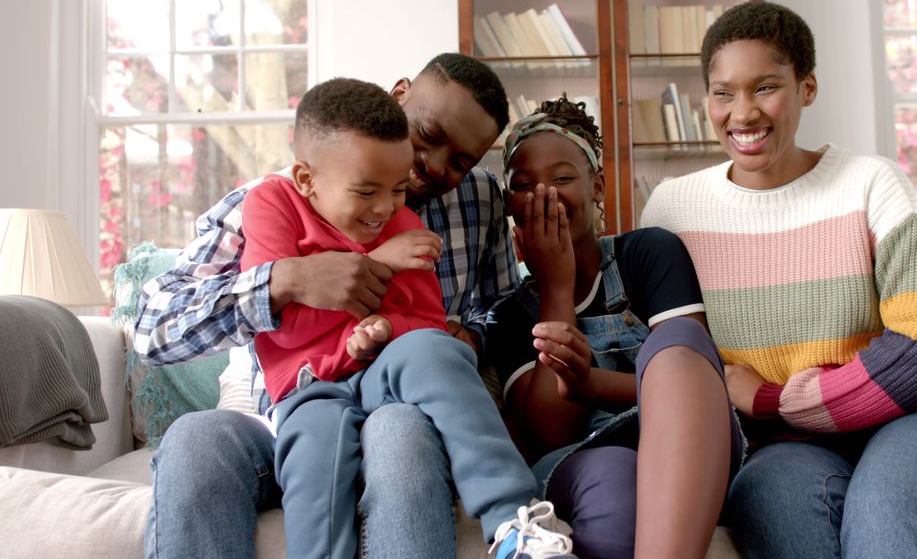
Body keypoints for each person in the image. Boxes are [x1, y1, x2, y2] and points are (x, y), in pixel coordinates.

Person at [640, 2, 917, 558]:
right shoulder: (672, 210)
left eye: (765, 88)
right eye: (722, 92)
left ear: (806, 88)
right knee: (779, 515)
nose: (742, 113)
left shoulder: (869, 183)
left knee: (888, 521)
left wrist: (769, 398)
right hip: (784, 448)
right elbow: (658, 357)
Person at [136, 54, 524, 559]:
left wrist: (467, 337)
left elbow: (504, 305)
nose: (431, 164)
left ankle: (515, 525)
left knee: (399, 430)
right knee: (193, 439)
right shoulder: (268, 203)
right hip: (289, 417)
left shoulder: (480, 200)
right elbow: (153, 329)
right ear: (400, 93)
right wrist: (282, 281)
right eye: (427, 135)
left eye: (461, 160)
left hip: (405, 409)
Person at [235, 77, 573, 559]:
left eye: (395, 190)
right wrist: (377, 265)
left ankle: (515, 525)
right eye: (367, 191)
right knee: (315, 462)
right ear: (307, 179)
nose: (386, 207)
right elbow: (280, 325)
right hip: (309, 386)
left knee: (437, 353)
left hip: (380, 371)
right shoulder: (272, 204)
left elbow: (429, 322)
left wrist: (388, 328)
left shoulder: (403, 221)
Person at [485, 95, 744, 558]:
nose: (545, 194)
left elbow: (696, 385)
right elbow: (552, 433)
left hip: (690, 443)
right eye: (525, 185)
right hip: (583, 458)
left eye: (563, 178)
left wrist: (589, 383)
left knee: (680, 340)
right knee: (613, 471)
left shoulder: (648, 255)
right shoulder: (508, 315)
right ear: (509, 204)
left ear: (597, 185)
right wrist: (556, 289)